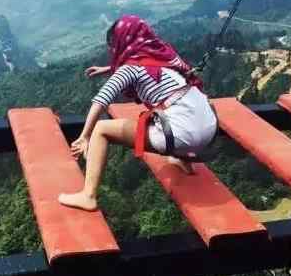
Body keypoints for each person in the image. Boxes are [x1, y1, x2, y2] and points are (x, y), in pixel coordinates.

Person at [58, 14, 218, 211]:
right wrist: (110, 69)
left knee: (101, 129)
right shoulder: (164, 55)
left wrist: (84, 136)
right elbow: (145, 64)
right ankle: (183, 160)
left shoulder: (129, 69)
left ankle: (88, 195)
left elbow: (101, 100)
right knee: (174, 113)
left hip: (181, 135)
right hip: (210, 128)